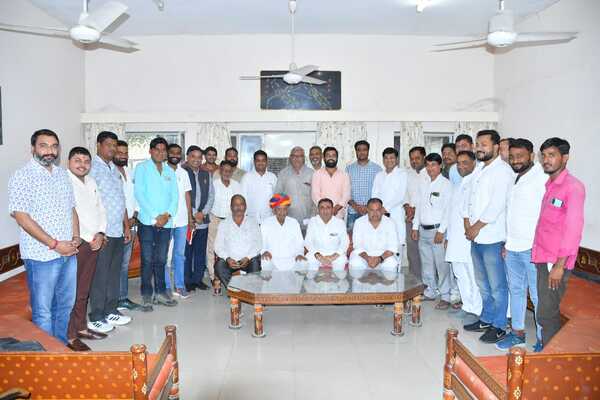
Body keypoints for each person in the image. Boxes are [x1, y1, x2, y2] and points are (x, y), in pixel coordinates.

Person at [8, 129, 79, 344]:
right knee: (43, 311)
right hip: (41, 256)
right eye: (44, 145)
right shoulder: (23, 176)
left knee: (65, 305)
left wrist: (76, 237)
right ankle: (46, 355)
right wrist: (55, 244)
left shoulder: (62, 174)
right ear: (33, 148)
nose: (50, 151)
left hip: (68, 252)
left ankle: (60, 349)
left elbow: (71, 209)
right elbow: (22, 217)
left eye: (54, 146)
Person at [532, 138, 585, 349]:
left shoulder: (573, 187)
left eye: (551, 155)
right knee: (546, 310)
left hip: (555, 262)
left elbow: (573, 230)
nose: (546, 160)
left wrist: (559, 265)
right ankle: (549, 351)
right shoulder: (550, 186)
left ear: (565, 157)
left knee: (547, 313)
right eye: (543, 155)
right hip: (542, 257)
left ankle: (550, 356)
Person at [463, 130, 514, 344]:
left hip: (492, 237)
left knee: (497, 286)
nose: (479, 148)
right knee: (483, 284)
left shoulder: (503, 171)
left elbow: (496, 205)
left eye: (484, 144)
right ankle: (486, 319)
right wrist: (467, 224)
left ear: (496, 147)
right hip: (476, 238)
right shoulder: (480, 170)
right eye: (477, 144)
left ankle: (500, 326)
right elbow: (469, 200)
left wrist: (475, 227)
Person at [496, 138, 547, 351]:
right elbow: (512, 214)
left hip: (534, 248)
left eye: (520, 156)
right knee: (515, 291)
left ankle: (544, 338)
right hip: (513, 247)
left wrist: (541, 245)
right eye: (512, 157)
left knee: (537, 295)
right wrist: (507, 242)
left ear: (531, 156)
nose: (516, 160)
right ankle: (518, 334)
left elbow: (547, 216)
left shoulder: (542, 178)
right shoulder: (514, 178)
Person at [88, 131, 131, 332]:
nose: (112, 149)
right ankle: (96, 315)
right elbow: (90, 202)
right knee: (100, 275)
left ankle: (111, 310)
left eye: (115, 145)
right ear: (98, 145)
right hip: (102, 232)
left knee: (114, 273)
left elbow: (121, 199)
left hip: (117, 230)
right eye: (108, 145)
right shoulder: (91, 168)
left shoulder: (114, 168)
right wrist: (97, 231)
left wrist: (126, 227)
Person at [66, 147, 108, 351]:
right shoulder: (64, 182)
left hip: (94, 241)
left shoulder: (91, 181)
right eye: (77, 160)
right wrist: (88, 236)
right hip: (77, 243)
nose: (82, 164)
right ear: (68, 162)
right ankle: (69, 335)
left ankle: (81, 327)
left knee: (84, 289)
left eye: (86, 161)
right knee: (71, 291)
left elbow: (100, 209)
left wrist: (100, 233)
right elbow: (70, 213)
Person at [134, 137, 179, 309]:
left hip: (166, 223)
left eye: (163, 150)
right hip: (147, 222)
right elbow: (139, 194)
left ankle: (161, 292)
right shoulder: (142, 168)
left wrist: (166, 215)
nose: (161, 153)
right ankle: (147, 294)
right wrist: (155, 217)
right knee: (147, 259)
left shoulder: (170, 171)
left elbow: (175, 197)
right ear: (150, 151)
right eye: (157, 149)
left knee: (161, 259)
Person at [411, 153, 453, 309]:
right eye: (428, 165)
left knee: (442, 265)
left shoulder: (446, 184)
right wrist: (415, 227)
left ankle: (446, 295)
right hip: (423, 230)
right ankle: (430, 291)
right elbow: (419, 207)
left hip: (438, 231)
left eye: (433, 165)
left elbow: (448, 210)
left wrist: (441, 231)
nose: (430, 168)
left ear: (440, 166)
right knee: (427, 263)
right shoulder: (424, 183)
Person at [445, 151, 482, 323]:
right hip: (455, 237)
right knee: (460, 274)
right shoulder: (459, 184)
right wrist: (447, 236)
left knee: (472, 275)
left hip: (468, 237)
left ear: (474, 163)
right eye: (458, 163)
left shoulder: (476, 182)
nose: (461, 166)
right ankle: (467, 306)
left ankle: (476, 310)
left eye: (465, 163)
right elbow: (451, 213)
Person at [113, 140, 142, 312]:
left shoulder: (130, 172)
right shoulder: (109, 173)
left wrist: (135, 217)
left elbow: (135, 197)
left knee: (124, 265)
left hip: (131, 225)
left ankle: (122, 298)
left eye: (125, 153)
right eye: (119, 152)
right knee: (115, 265)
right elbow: (116, 202)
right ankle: (114, 300)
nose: (123, 156)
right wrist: (125, 223)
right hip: (116, 227)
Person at [182, 145, 215, 291]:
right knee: (187, 252)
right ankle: (188, 280)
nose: (196, 160)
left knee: (200, 252)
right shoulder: (182, 172)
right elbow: (183, 196)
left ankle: (198, 279)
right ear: (188, 157)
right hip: (189, 221)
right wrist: (195, 213)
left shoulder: (206, 173)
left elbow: (211, 195)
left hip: (203, 221)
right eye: (193, 156)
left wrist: (203, 213)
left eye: (199, 157)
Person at [207, 160, 242, 291]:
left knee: (229, 248)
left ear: (232, 172)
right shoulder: (213, 184)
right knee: (212, 249)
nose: (227, 173)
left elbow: (241, 203)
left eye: (229, 171)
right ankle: (214, 277)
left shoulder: (237, 185)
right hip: (215, 219)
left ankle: (229, 276)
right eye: (224, 170)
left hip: (230, 221)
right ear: (220, 170)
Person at [214, 195, 262, 288]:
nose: (239, 207)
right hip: (230, 261)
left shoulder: (253, 222)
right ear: (231, 207)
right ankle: (234, 290)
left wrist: (248, 257)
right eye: (235, 205)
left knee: (255, 263)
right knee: (219, 266)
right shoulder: (224, 224)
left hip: (248, 260)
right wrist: (228, 259)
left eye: (241, 204)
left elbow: (258, 243)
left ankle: (249, 289)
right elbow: (218, 246)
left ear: (245, 206)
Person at [164, 144, 193, 298]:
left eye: (178, 153)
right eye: (172, 152)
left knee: (180, 255)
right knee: (164, 255)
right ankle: (166, 286)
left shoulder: (184, 173)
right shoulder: (161, 171)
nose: (175, 155)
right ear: (167, 154)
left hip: (181, 221)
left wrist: (190, 217)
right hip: (165, 221)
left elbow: (187, 196)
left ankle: (180, 285)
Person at [371, 147, 408, 253]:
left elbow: (400, 195)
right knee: (381, 244)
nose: (389, 160)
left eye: (392, 158)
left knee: (396, 245)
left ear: (396, 159)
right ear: (383, 160)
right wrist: (376, 209)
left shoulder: (402, 174)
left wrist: (385, 208)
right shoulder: (379, 175)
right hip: (379, 215)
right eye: (386, 158)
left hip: (395, 214)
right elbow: (374, 194)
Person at [349, 198, 399, 271]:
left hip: (383, 255)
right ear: (367, 210)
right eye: (372, 210)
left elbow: (393, 247)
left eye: (377, 210)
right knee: (355, 263)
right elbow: (357, 245)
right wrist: (368, 258)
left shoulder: (390, 222)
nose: (375, 213)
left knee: (391, 264)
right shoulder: (359, 222)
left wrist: (380, 259)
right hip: (364, 255)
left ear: (382, 210)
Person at [260, 194, 307, 271]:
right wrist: (264, 251)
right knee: (265, 261)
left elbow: (299, 243)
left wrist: (299, 254)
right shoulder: (266, 223)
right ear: (274, 210)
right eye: (279, 209)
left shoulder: (294, 222)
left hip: (292, 260)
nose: (282, 212)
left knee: (303, 262)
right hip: (273, 260)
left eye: (284, 209)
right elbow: (262, 243)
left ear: (287, 210)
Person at [274, 146, 315, 230]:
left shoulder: (312, 174)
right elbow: (277, 196)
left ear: (304, 158)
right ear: (290, 158)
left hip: (307, 221)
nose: (297, 158)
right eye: (294, 156)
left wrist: (313, 217)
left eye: (300, 156)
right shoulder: (283, 174)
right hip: (288, 221)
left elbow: (316, 198)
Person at [403, 146, 428, 280]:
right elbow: (405, 193)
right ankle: (415, 281)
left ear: (424, 157)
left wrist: (415, 210)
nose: (414, 161)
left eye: (417, 158)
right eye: (412, 159)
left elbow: (427, 198)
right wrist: (407, 207)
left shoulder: (430, 173)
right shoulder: (408, 174)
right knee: (412, 252)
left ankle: (429, 283)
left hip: (425, 219)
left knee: (426, 253)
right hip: (410, 218)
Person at [346, 140, 382, 231]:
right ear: (356, 151)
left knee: (372, 238)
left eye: (364, 149)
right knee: (352, 238)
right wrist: (355, 206)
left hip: (372, 212)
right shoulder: (349, 169)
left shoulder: (377, 169)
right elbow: (345, 191)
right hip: (353, 211)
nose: (362, 152)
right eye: (359, 150)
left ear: (368, 151)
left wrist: (367, 207)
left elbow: (380, 192)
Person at [304, 198, 349, 271]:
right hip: (316, 253)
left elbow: (345, 242)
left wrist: (333, 256)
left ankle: (338, 278)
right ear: (318, 210)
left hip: (335, 253)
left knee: (341, 263)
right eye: (322, 208)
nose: (325, 210)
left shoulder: (339, 222)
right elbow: (308, 241)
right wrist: (319, 256)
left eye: (328, 207)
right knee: (309, 261)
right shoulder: (313, 221)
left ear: (332, 209)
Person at [311, 146, 351, 219]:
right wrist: (326, 208)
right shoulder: (317, 174)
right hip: (321, 215)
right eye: (328, 155)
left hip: (338, 215)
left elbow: (346, 195)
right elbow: (315, 194)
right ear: (324, 158)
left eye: (333, 155)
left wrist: (336, 208)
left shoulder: (344, 175)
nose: (331, 158)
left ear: (337, 158)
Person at [241, 150, 277, 224]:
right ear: (254, 162)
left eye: (263, 160)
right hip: (251, 220)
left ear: (267, 162)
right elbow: (242, 199)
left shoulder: (272, 177)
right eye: (258, 160)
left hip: (269, 219)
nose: (261, 163)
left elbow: (276, 197)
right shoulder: (246, 177)